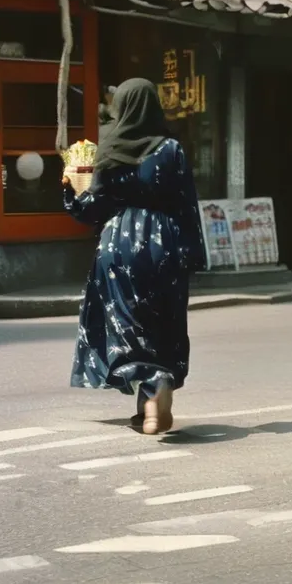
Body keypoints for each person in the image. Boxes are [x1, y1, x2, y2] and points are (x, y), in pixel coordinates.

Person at [62, 77, 205, 435]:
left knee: (129, 325)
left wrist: (69, 192)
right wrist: (193, 254)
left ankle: (152, 390)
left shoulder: (108, 151)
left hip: (119, 246)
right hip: (164, 244)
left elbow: (91, 208)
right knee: (163, 323)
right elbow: (187, 204)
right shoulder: (171, 150)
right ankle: (154, 397)